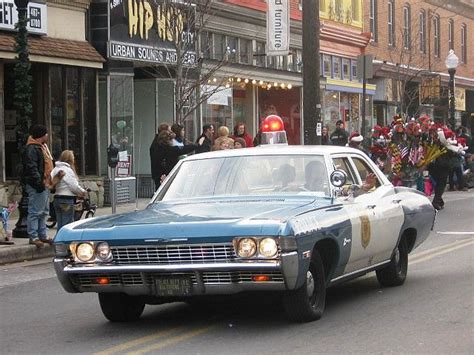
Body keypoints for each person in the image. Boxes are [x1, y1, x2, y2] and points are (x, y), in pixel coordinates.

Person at [22, 124, 54, 248]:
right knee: (35, 211)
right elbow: (31, 168)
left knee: (44, 211)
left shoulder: (42, 147)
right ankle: (34, 236)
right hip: (38, 184)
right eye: (46, 133)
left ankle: (43, 234)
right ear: (41, 135)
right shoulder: (32, 149)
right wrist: (38, 182)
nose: (47, 135)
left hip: (45, 183)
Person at [50, 150, 86, 231]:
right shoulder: (68, 170)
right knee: (67, 224)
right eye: (73, 157)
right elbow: (73, 186)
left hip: (57, 198)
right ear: (70, 159)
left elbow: (52, 181)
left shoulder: (55, 169)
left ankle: (58, 240)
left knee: (60, 223)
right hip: (66, 199)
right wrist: (82, 192)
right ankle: (65, 241)